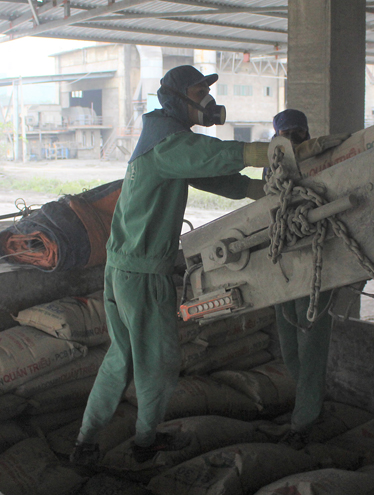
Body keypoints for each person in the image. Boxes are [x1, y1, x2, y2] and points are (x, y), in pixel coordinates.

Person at [70, 65, 269, 466]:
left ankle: (85, 442)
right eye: (199, 92)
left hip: (122, 269)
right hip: (144, 276)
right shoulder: (169, 145)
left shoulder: (160, 141)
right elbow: (209, 156)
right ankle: (145, 443)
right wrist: (262, 153)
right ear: (176, 98)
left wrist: (253, 188)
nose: (207, 100)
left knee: (121, 357)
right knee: (157, 364)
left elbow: (205, 173)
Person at [270, 109, 335, 450]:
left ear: (308, 135)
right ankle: (308, 407)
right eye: (286, 135)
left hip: (318, 267)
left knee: (311, 349)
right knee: (289, 347)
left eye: (299, 133)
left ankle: (304, 421)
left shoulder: (324, 165)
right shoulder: (272, 172)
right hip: (284, 269)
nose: (294, 141)